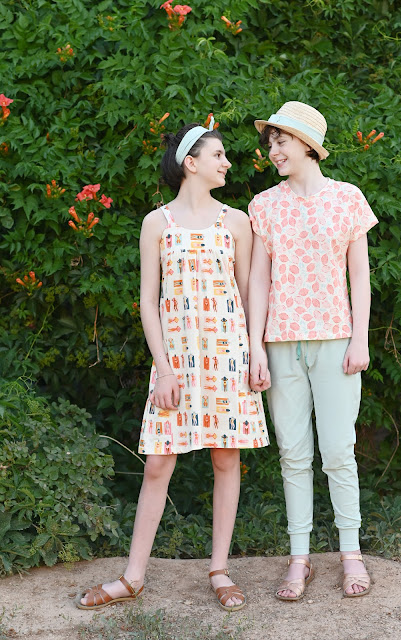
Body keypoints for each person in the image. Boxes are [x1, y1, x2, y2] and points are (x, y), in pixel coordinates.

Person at [77, 117, 269, 612]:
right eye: (218, 155)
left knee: (226, 458)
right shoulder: (156, 223)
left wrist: (256, 351)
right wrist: (163, 368)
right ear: (191, 163)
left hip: (228, 357)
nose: (227, 163)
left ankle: (219, 570)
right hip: (176, 362)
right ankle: (133, 577)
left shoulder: (236, 222)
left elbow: (248, 293)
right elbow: (148, 301)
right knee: (159, 463)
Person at [248, 101, 378, 600]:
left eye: (281, 141)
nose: (273, 150)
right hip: (281, 343)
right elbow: (258, 281)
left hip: (336, 340)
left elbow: (359, 275)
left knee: (339, 452)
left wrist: (361, 337)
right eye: (271, 143)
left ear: (307, 144)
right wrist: (257, 348)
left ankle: (351, 555)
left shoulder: (347, 198)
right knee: (293, 454)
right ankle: (299, 559)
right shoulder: (264, 205)